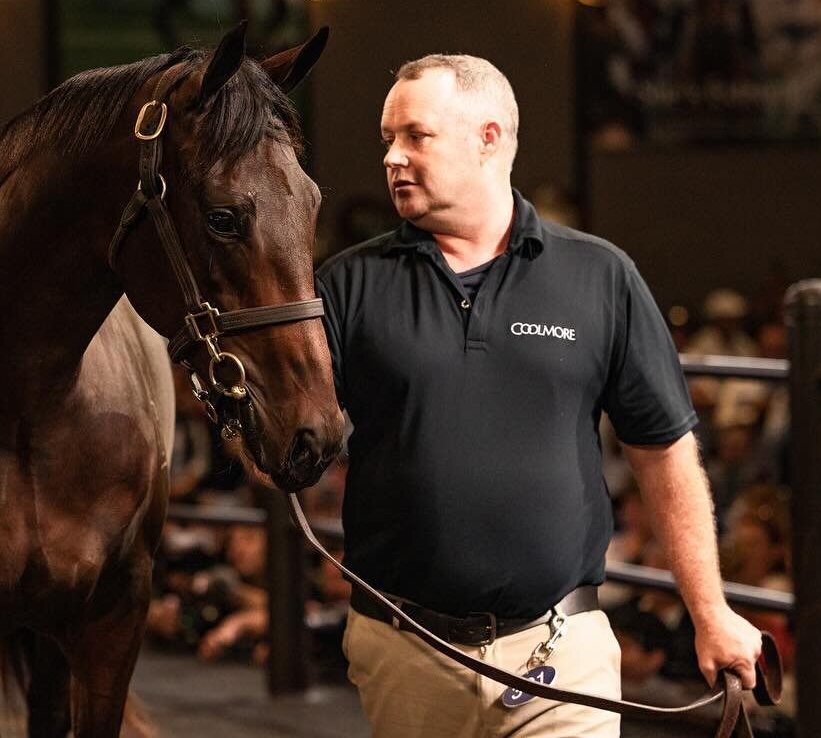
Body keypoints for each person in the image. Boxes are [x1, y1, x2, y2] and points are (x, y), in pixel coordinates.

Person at [315, 55, 761, 736]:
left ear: (488, 138)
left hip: (562, 648)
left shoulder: (599, 276)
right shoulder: (346, 285)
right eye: (387, 140)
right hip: (404, 646)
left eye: (415, 136)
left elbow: (664, 455)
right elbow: (285, 450)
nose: (393, 158)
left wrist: (712, 613)